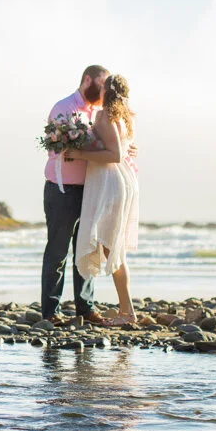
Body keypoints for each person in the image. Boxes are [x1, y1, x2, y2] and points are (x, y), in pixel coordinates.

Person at [40, 65, 110, 324]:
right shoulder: (64, 107)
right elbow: (58, 148)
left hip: (90, 189)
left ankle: (86, 308)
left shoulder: (99, 113)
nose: (105, 91)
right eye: (102, 85)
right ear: (87, 80)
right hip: (61, 190)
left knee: (85, 249)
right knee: (57, 252)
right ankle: (50, 312)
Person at [69, 74, 140, 326]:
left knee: (112, 249)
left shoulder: (104, 116)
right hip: (122, 181)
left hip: (110, 183)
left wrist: (78, 151)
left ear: (106, 90)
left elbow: (115, 154)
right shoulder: (125, 117)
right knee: (114, 249)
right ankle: (126, 310)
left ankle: (127, 312)